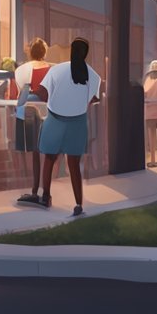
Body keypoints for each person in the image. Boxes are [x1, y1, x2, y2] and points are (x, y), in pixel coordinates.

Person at [35, 38, 102, 217]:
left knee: (49, 159)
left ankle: (45, 196)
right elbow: (93, 100)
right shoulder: (93, 76)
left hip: (54, 119)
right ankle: (78, 203)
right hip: (77, 123)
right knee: (74, 165)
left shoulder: (56, 70)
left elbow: (41, 93)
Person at [14, 39, 51, 206]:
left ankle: (36, 190)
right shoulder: (53, 69)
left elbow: (19, 94)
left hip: (28, 112)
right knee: (49, 154)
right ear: (44, 52)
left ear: (29, 52)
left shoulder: (21, 70)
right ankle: (45, 193)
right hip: (49, 112)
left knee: (35, 152)